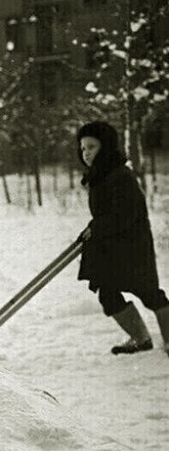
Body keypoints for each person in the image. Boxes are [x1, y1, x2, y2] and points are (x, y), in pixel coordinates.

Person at [77, 120, 169, 357]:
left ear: (105, 147)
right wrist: (94, 228)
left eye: (91, 147)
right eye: (83, 148)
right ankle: (140, 339)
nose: (86, 153)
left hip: (131, 246)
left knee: (149, 293)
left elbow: (125, 214)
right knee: (108, 293)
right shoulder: (100, 174)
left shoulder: (120, 175)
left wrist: (97, 227)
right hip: (112, 245)